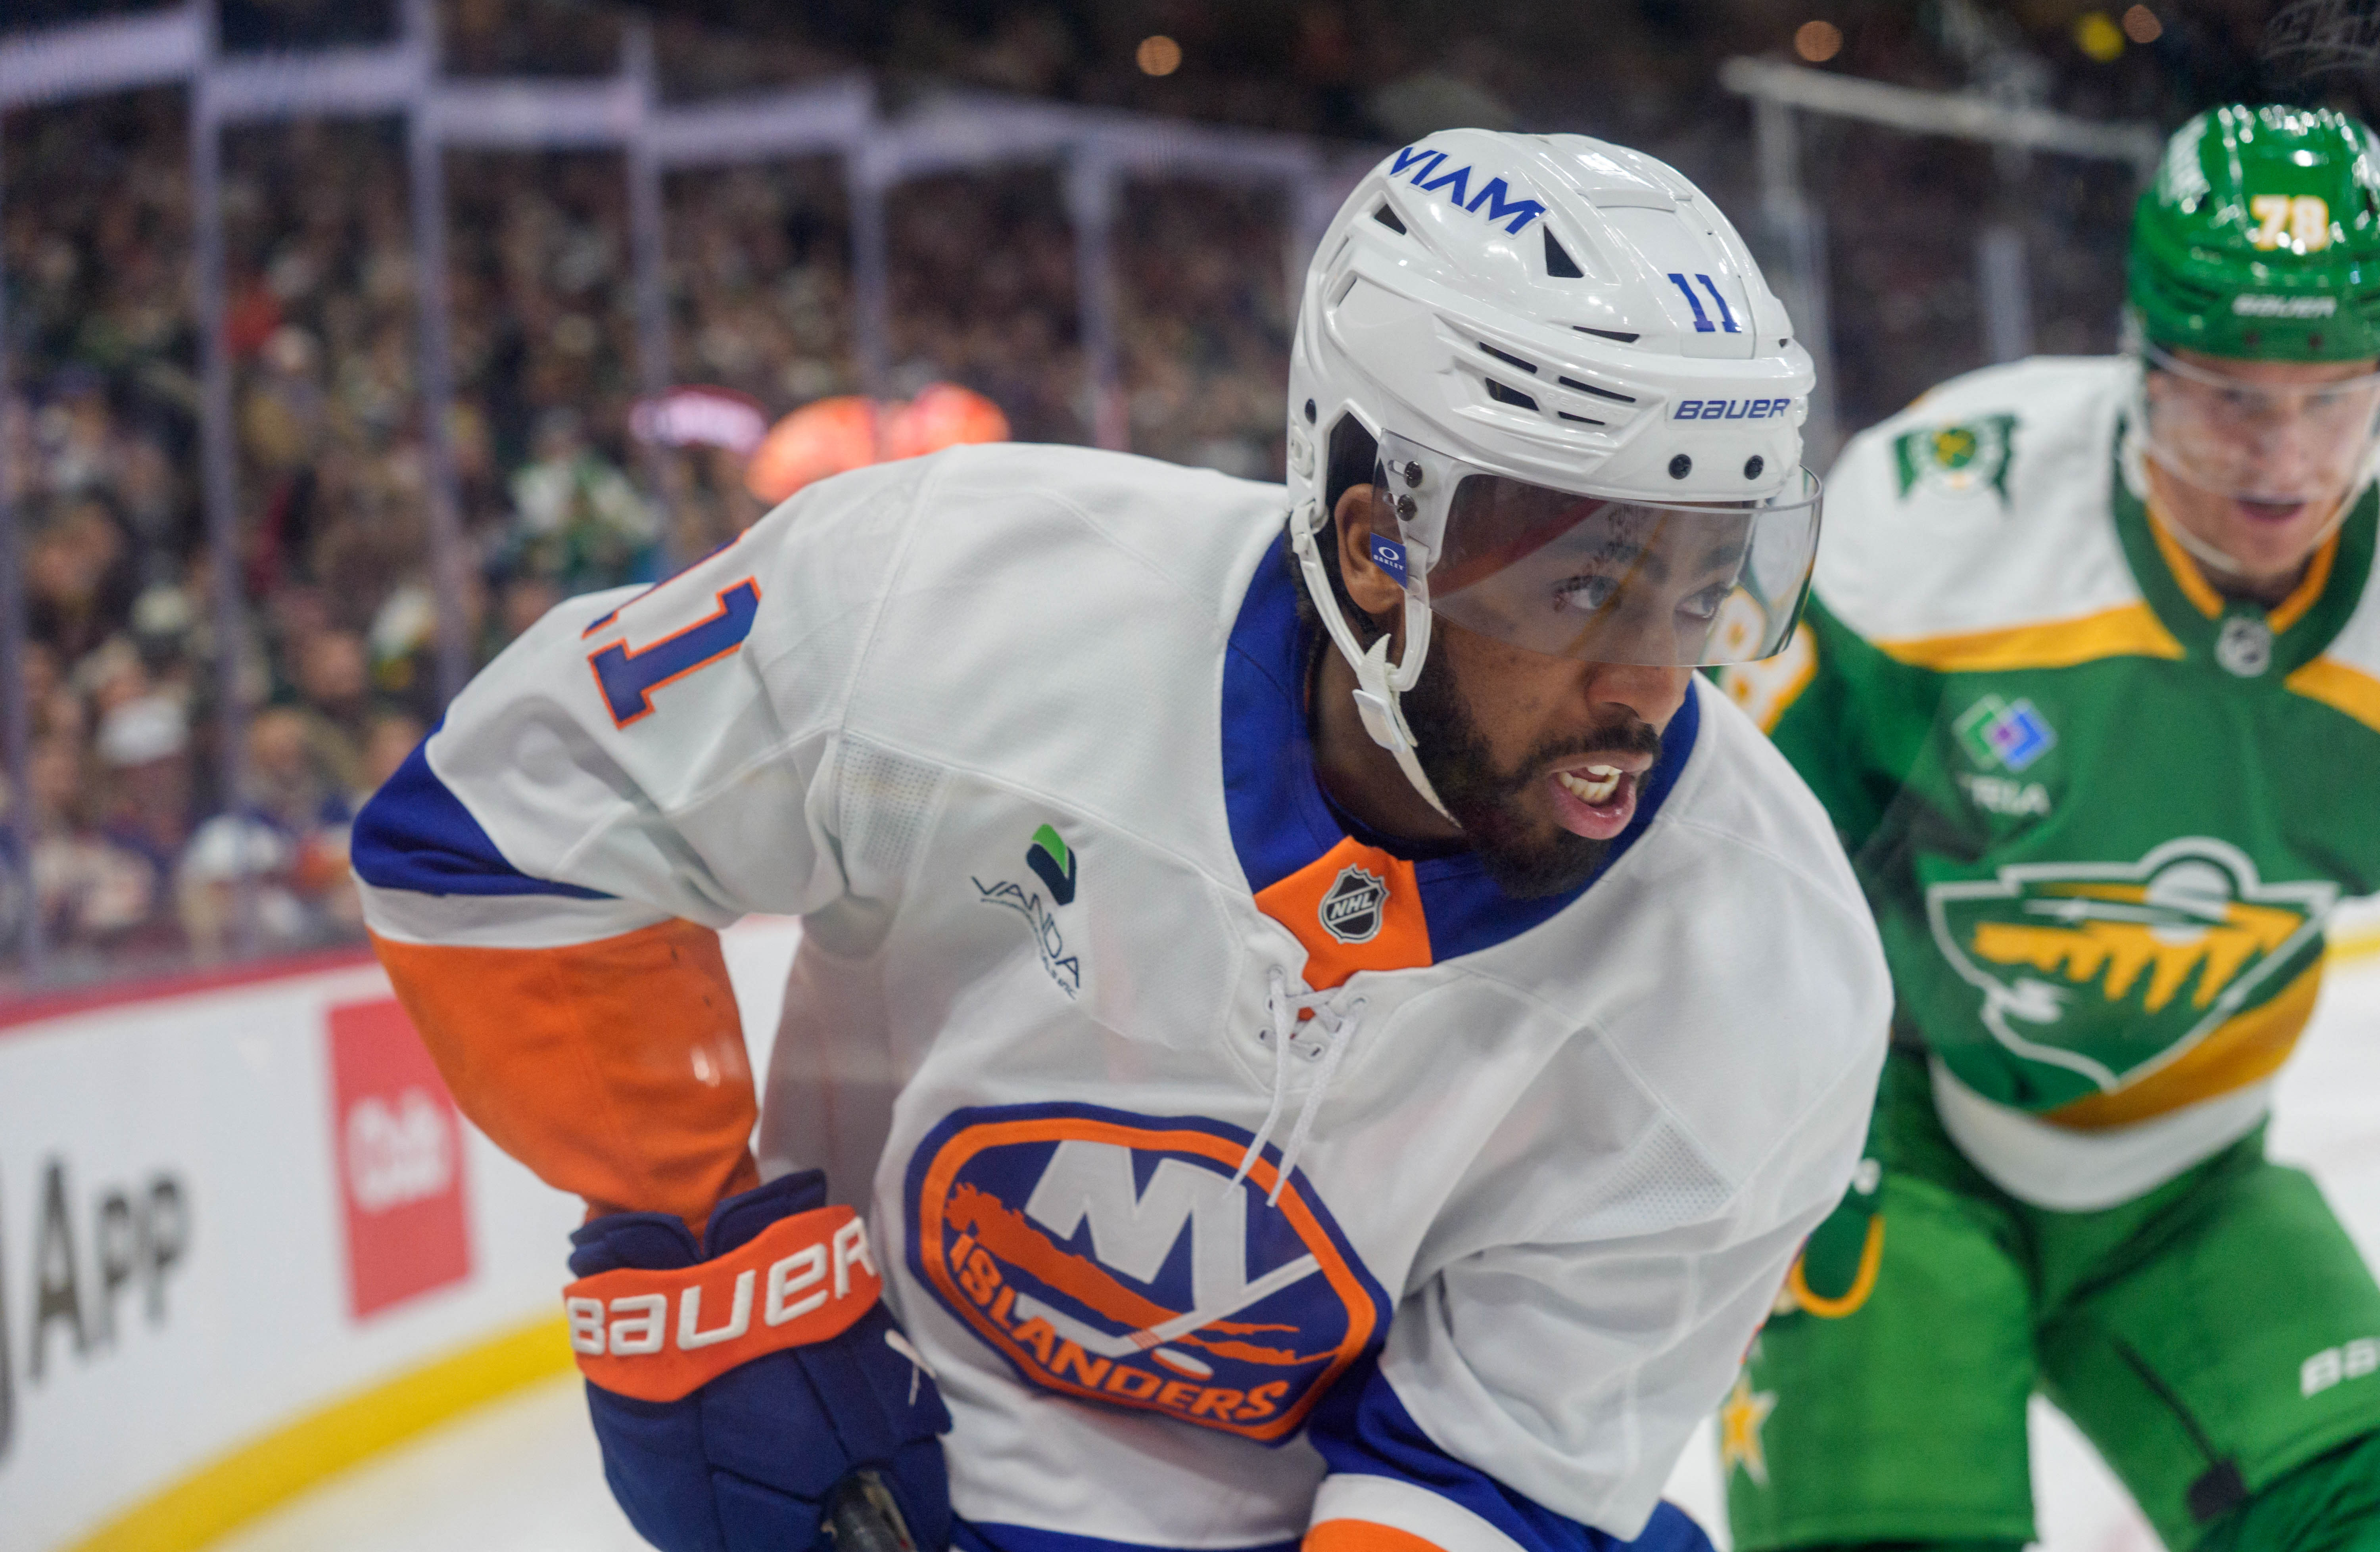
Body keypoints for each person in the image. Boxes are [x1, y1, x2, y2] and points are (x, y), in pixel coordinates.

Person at [352, 128, 1887, 1552]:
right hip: (906, 1449)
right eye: (1582, 587)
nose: (1654, 683)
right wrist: (705, 1255)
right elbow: (505, 821)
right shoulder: (954, 595)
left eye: (1705, 585)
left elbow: (1492, 1480)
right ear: (1375, 545)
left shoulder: (1769, 965)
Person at [1716, 103, 2380, 1552]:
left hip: (2192, 1175)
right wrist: (1746, 1139)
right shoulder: (1948, 511)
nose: (2284, 460)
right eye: (2229, 396)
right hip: (1888, 1127)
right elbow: (1724, 839)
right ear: (2141, 361)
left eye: (2332, 398)